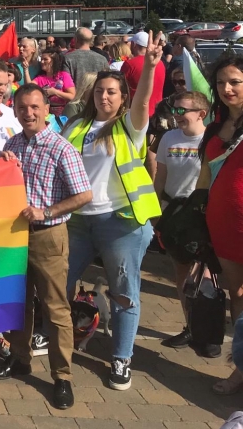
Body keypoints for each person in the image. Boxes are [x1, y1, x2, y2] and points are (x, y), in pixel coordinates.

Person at [62, 34, 163, 391]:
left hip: (121, 223)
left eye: (112, 92)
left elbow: (145, 101)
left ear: (122, 99)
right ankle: (55, 336)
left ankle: (121, 358)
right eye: (99, 91)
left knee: (123, 293)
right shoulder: (76, 126)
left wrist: (149, 66)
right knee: (59, 283)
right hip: (77, 221)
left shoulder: (129, 127)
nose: (103, 96)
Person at [0, 83, 92, 409]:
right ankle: (21, 358)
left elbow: (83, 194)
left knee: (55, 309)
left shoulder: (61, 148)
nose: (29, 113)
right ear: (15, 110)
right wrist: (1, 163)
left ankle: (62, 376)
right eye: (22, 108)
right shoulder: (13, 143)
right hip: (17, 235)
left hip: (49, 235)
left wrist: (46, 211)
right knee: (20, 303)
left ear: (47, 109)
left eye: (35, 107)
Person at [155, 91, 216, 356]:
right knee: (181, 272)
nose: (176, 115)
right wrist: (156, 210)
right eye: (175, 110)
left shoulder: (212, 141)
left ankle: (209, 331)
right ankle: (191, 326)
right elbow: (160, 177)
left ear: (201, 114)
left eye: (182, 111)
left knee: (204, 274)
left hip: (202, 215)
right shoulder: (169, 137)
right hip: (173, 216)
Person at [196, 55, 243, 395]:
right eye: (221, 83)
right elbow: (205, 172)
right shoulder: (215, 126)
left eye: (235, 82)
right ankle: (240, 369)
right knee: (237, 296)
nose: (227, 89)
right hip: (222, 223)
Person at [121, 31, 166, 114]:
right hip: (156, 111)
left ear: (134, 45)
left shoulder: (130, 64)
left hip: (136, 113)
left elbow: (121, 88)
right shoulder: (160, 63)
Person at [24, 47, 75, 116]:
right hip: (46, 115)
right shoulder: (40, 78)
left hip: (64, 115)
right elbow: (29, 88)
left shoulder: (64, 75)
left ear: (54, 61)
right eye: (41, 59)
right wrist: (26, 70)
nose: (42, 62)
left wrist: (55, 92)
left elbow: (72, 96)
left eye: (45, 59)